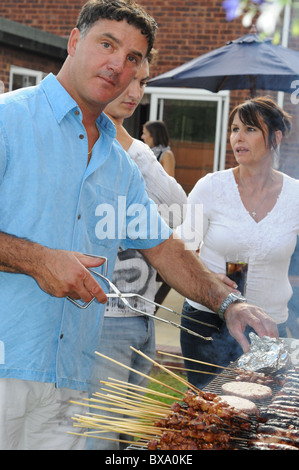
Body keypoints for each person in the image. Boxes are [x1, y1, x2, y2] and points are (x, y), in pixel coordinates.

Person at [0, 0, 277, 449]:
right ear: (74, 41)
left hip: (73, 378)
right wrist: (37, 260)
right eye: (107, 44)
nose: (118, 65)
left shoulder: (121, 165)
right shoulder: (8, 119)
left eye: (133, 58)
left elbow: (165, 249)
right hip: (6, 368)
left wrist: (229, 304)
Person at [87, 54, 187, 450]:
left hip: (142, 313)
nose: (134, 92)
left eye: (143, 82)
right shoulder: (91, 147)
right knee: (101, 437)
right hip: (102, 319)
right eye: (126, 79)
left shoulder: (136, 154)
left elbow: (179, 208)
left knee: (128, 438)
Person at [178, 96, 299, 389]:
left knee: (261, 414)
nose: (238, 138)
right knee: (209, 412)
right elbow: (180, 251)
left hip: (270, 327)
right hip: (208, 320)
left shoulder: (295, 195)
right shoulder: (210, 187)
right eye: (234, 129)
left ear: (275, 138)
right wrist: (206, 277)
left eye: (250, 129)